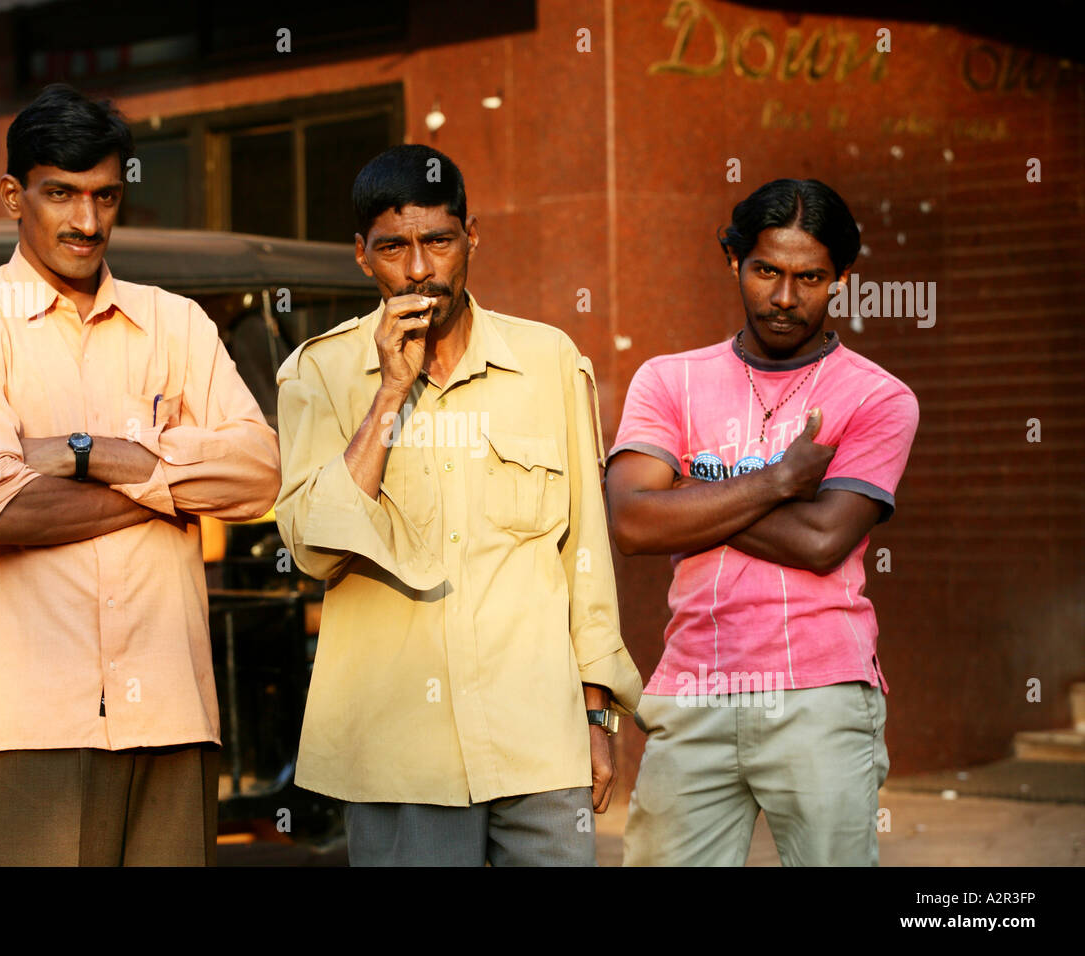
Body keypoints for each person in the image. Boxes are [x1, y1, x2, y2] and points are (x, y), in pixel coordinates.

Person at [0, 84, 280, 866]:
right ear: (14, 195)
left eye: (105, 196)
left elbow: (259, 475)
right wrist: (171, 491)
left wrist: (87, 455)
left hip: (171, 715)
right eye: (62, 195)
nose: (86, 221)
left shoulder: (177, 323)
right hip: (28, 722)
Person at [274, 145, 643, 866]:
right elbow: (314, 547)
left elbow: (585, 557)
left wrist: (597, 712)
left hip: (538, 739)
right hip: (397, 754)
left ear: (471, 236)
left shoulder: (549, 363)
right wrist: (388, 392)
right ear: (361, 256)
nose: (418, 271)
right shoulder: (318, 372)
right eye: (393, 249)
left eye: (437, 242)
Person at [608, 178, 919, 866]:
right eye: (766, 272)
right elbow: (632, 524)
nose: (784, 298)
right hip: (692, 692)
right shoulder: (668, 381)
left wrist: (691, 493)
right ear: (734, 262)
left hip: (822, 694)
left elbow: (820, 540)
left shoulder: (878, 397)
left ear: (842, 276)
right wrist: (781, 481)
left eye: (809, 277)